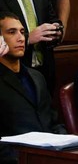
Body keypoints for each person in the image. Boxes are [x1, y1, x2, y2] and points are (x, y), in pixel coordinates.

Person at [0, 11, 66, 164]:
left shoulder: (36, 77)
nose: (21, 38)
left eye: (22, 32)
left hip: (51, 155)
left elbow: (53, 122)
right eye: (12, 32)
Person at [0, 0, 63, 93]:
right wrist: (28, 38)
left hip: (44, 74)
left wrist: (56, 30)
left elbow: (52, 19)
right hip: (10, 78)